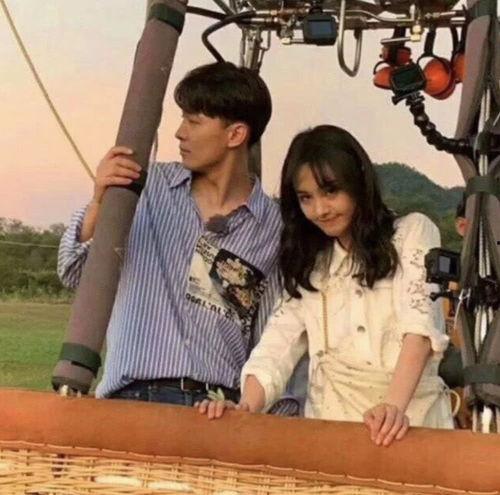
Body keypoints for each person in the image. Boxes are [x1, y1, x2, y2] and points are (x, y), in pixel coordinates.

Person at [57, 62, 298, 414]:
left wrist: (260, 421)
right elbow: (74, 271)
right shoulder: (144, 188)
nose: (179, 133)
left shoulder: (272, 228)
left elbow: (274, 340)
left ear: (235, 135)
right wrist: (99, 202)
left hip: (214, 412)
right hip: (130, 402)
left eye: (193, 122)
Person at [197, 125, 454, 445]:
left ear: (358, 183)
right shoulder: (312, 265)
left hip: (412, 428)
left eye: (330, 191)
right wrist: (245, 407)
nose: (320, 209)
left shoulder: (412, 232)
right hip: (334, 434)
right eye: (306, 198)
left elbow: (420, 327)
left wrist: (392, 409)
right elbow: (277, 347)